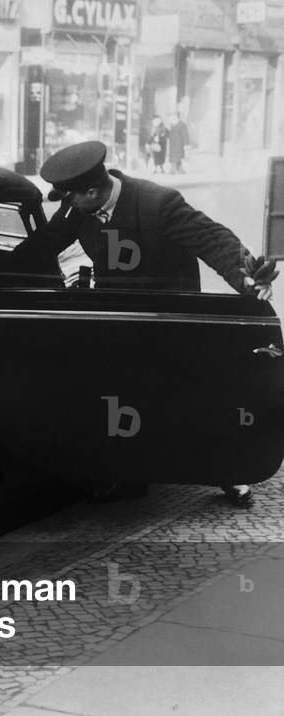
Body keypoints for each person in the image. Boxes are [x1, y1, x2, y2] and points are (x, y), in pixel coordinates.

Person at [21, 141, 276, 506]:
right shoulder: (78, 210)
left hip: (170, 319)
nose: (68, 204)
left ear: (92, 191)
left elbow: (213, 239)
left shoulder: (158, 203)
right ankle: (128, 474)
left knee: (195, 396)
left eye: (72, 197)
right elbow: (42, 245)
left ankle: (228, 470)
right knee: (120, 396)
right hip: (122, 319)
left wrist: (246, 276)